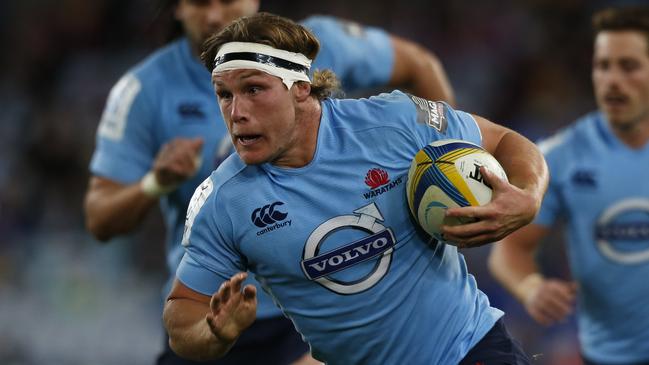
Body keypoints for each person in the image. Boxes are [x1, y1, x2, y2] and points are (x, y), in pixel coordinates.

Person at [163, 12, 549, 365]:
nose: (236, 112)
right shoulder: (221, 201)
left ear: (300, 87)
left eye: (254, 90)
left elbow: (503, 141)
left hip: (470, 349)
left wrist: (528, 196)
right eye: (224, 94)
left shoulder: (395, 123)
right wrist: (211, 331)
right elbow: (183, 310)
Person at [83, 1, 457, 364]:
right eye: (198, 2)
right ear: (177, 8)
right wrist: (154, 183)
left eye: (227, 0)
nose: (213, 14)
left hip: (317, 315)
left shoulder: (320, 44)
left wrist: (445, 179)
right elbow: (100, 219)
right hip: (214, 307)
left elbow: (420, 65)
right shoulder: (144, 91)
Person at [488, 5, 649, 365]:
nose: (613, 80)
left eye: (629, 66)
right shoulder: (558, 157)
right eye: (604, 66)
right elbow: (512, 250)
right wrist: (532, 289)